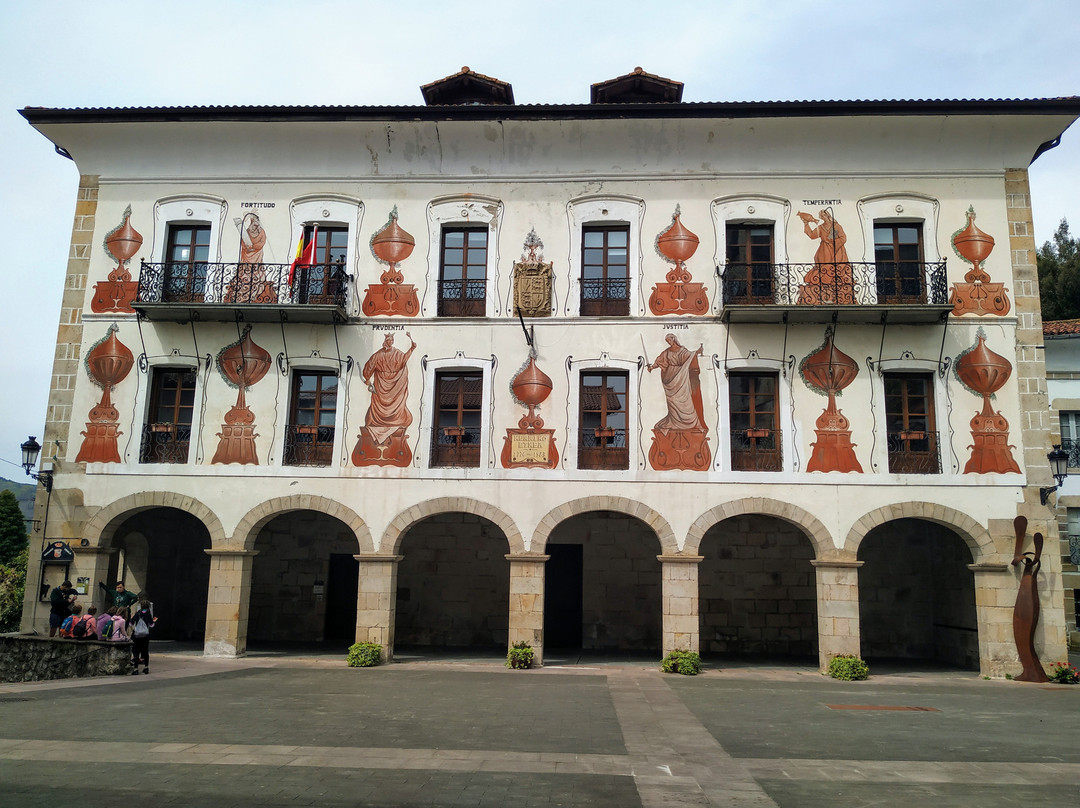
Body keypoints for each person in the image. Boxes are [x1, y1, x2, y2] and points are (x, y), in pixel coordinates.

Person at [361, 332, 417, 446]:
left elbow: (404, 359)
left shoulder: (396, 353)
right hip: (381, 384)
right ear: (385, 341)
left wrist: (412, 349)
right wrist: (367, 378)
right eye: (388, 340)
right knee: (377, 406)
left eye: (391, 340)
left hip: (393, 386)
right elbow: (369, 367)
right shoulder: (378, 355)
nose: (390, 342)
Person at [647, 334, 706, 432]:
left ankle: (689, 421)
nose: (668, 342)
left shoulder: (682, 350)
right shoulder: (667, 352)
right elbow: (659, 360)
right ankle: (674, 421)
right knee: (672, 401)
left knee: (684, 399)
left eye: (669, 340)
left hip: (681, 376)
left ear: (674, 339)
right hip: (669, 378)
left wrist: (697, 352)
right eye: (667, 341)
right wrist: (652, 367)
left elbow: (690, 355)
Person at [797, 208, 854, 305]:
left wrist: (833, 243)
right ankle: (824, 292)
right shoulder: (821, 227)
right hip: (824, 252)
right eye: (821, 216)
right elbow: (811, 235)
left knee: (836, 270)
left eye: (824, 215)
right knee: (823, 271)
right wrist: (806, 224)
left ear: (828, 215)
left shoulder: (836, 226)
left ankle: (836, 293)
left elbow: (843, 238)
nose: (823, 217)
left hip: (837, 252)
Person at [128, 599, 157, 675]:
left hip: (137, 635)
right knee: (145, 651)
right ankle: (146, 667)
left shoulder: (138, 613)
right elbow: (151, 625)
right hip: (145, 635)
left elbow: (131, 623)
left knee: (136, 651)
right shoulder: (148, 614)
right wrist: (153, 622)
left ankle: (136, 668)